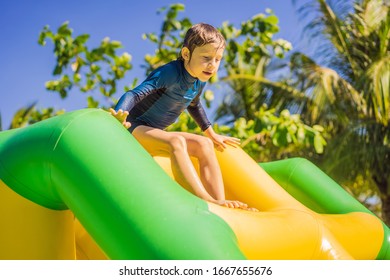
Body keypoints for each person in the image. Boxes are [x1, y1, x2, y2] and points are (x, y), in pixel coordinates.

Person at [110, 23, 257, 211]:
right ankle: (205, 199)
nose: (212, 65)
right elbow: (134, 94)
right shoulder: (170, 72)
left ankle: (221, 203)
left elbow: (194, 105)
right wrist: (119, 115)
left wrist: (212, 135)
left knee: (204, 144)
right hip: (133, 128)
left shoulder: (199, 80)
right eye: (206, 58)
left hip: (153, 131)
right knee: (176, 140)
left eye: (218, 59)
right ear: (186, 54)